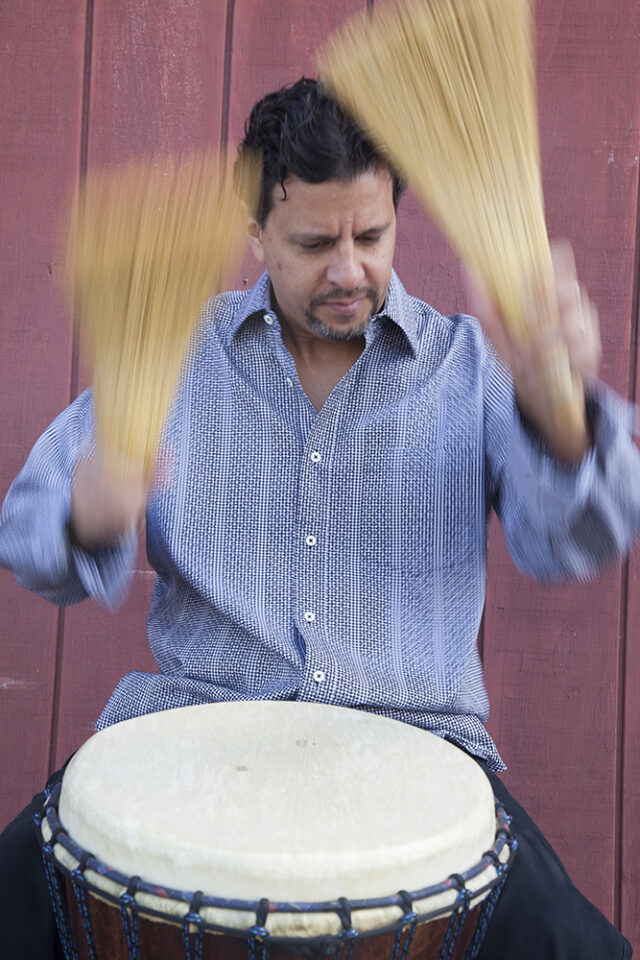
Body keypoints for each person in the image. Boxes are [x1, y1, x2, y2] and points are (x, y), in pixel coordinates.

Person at [0, 77, 638, 959]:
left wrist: (562, 420)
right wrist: (86, 513)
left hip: (421, 755)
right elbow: (28, 538)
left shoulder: (467, 369)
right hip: (192, 731)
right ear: (255, 231)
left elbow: (577, 542)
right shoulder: (173, 356)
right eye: (312, 242)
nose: (349, 269)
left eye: (370, 236)